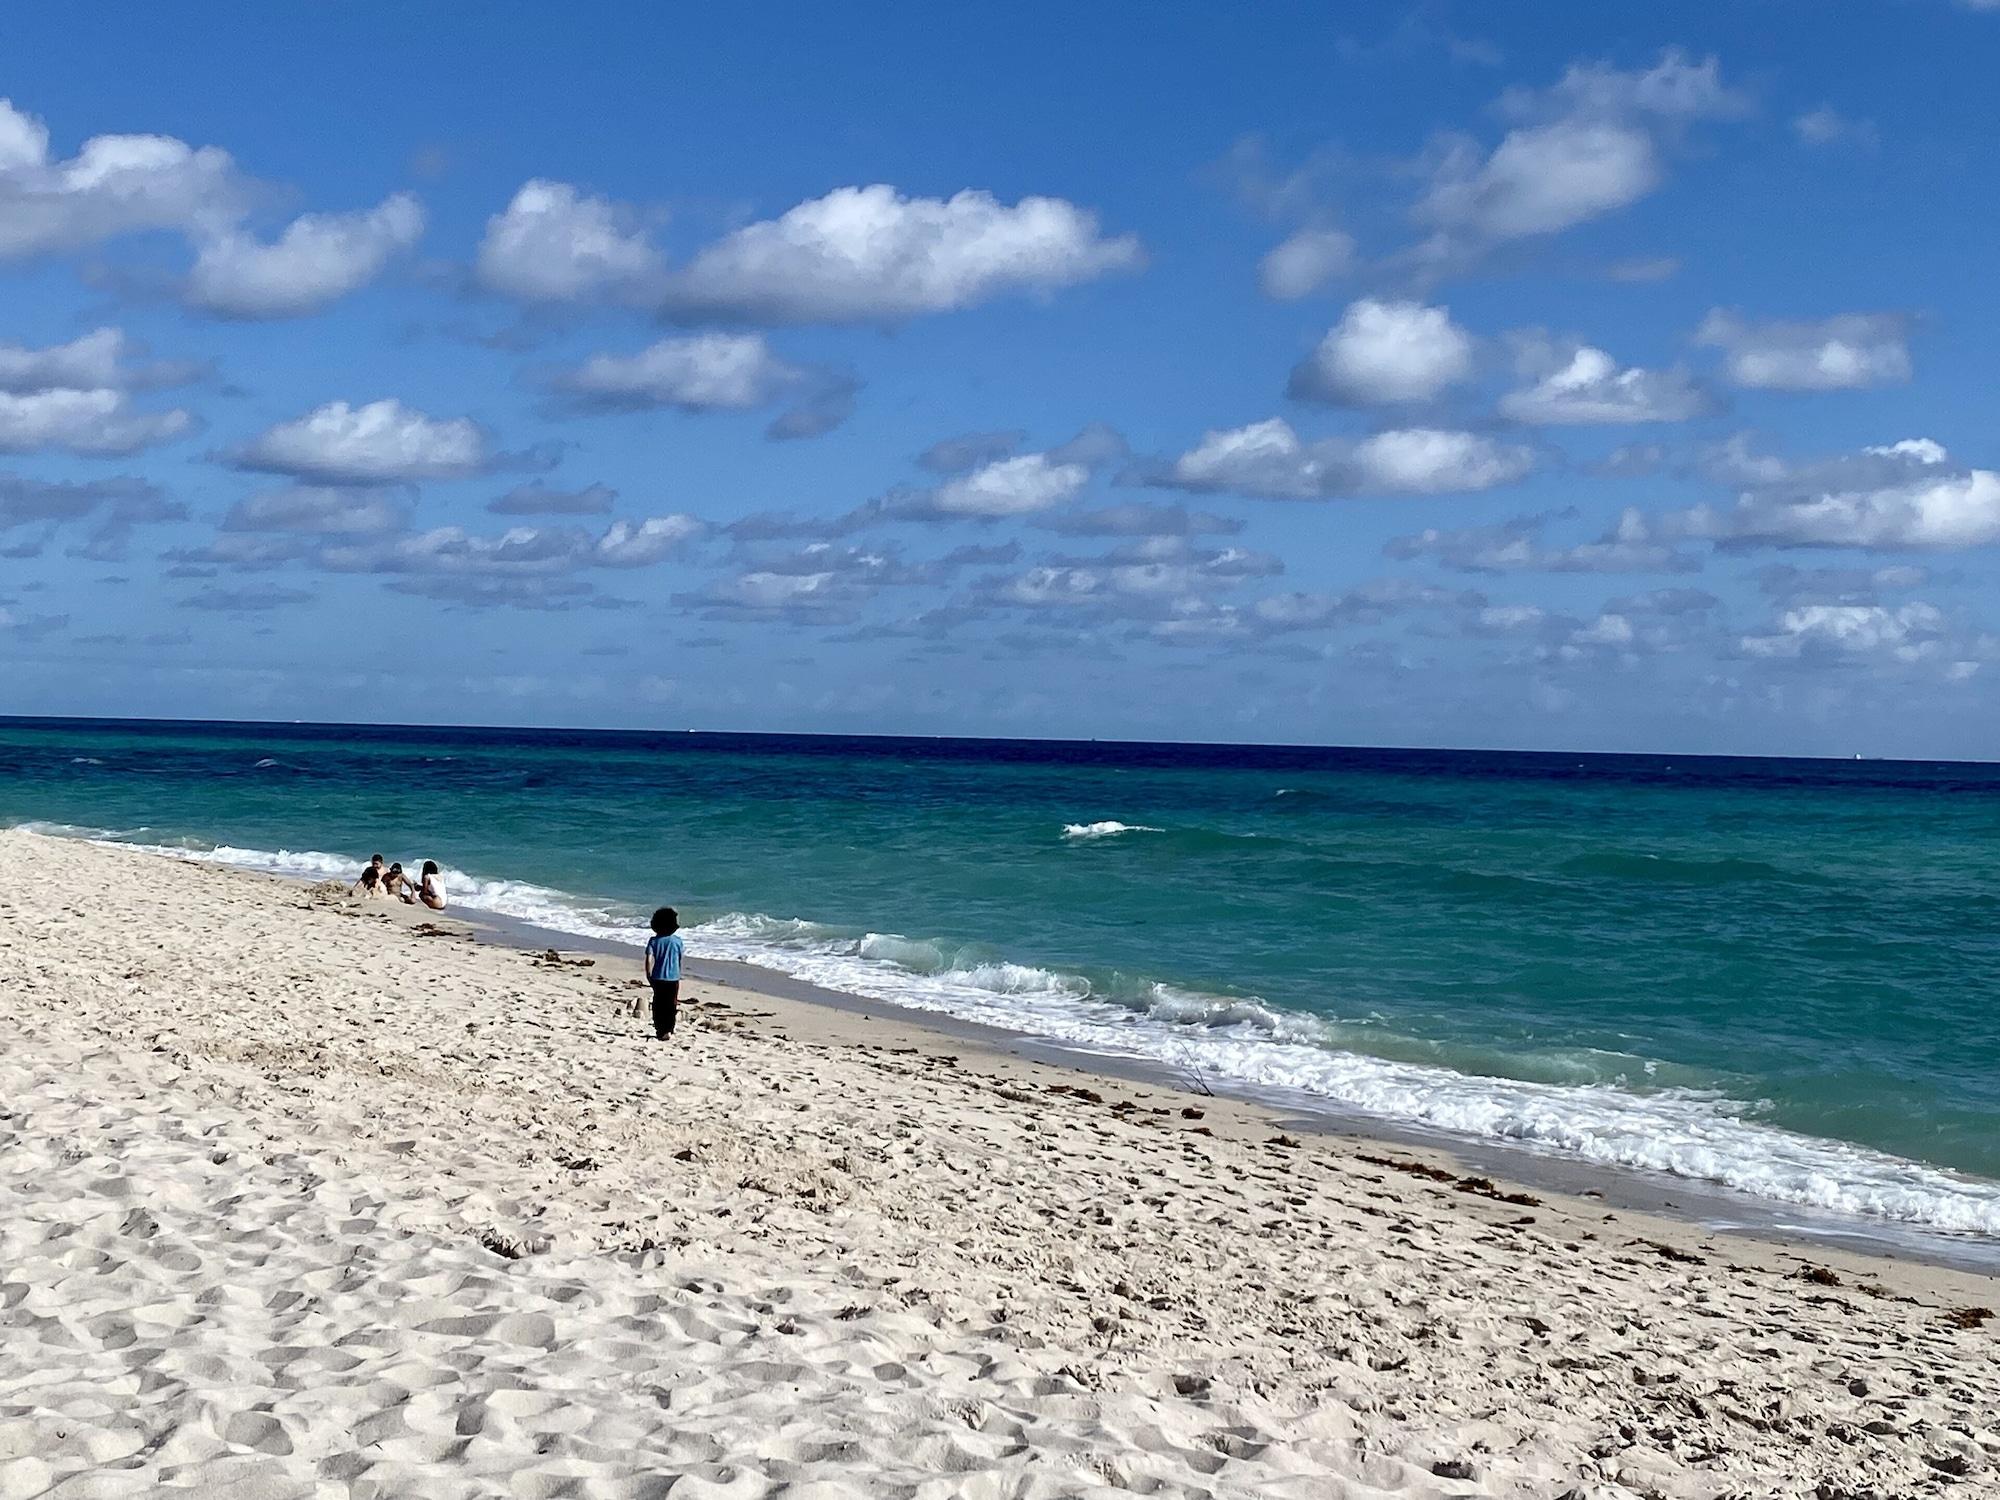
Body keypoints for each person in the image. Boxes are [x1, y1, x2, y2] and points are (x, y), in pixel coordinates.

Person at [644, 906, 683, 1041]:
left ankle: (660, 1030)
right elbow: (679, 959)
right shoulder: (677, 941)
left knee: (658, 1005)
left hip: (657, 977)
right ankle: (669, 1029)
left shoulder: (653, 941)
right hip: (673, 977)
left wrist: (648, 974)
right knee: (671, 1005)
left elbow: (649, 959)